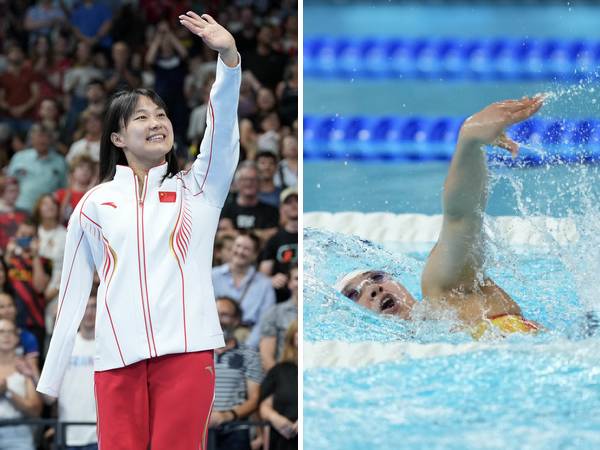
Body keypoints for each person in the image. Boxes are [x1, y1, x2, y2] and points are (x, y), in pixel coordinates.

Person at [37, 12, 241, 450]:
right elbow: (71, 291)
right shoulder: (94, 205)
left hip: (186, 353)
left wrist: (228, 60)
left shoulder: (198, 190)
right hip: (116, 358)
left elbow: (222, 133)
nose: (157, 122)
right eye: (141, 117)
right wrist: (51, 376)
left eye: (161, 114)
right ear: (117, 138)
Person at [335, 97, 545, 339]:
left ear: (399, 283)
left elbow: (462, 218)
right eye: (354, 294)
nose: (373, 288)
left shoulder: (445, 296)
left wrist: (469, 142)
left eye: (378, 277)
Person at [209, 297, 263, 450]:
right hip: (199, 429)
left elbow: (254, 398)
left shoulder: (250, 355)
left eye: (225, 315)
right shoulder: (195, 356)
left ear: (236, 320)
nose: (219, 320)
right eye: (215, 314)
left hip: (235, 430)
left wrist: (226, 416)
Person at [212, 233, 276, 349]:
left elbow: (265, 321)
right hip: (213, 342)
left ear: (255, 255)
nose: (240, 251)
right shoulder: (213, 276)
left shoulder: (265, 284)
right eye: (238, 246)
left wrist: (247, 347)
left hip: (247, 343)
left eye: (246, 249)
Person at [0, 318, 43, 450]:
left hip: (19, 439)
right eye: (1, 332)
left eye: (11, 332)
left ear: (17, 338)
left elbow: (35, 410)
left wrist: (7, 392)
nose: (6, 335)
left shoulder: (26, 368)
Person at [6, 123, 68, 213]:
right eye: (39, 136)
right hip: (19, 208)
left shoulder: (60, 162)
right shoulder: (19, 157)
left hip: (46, 212)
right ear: (32, 139)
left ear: (51, 140)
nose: (42, 140)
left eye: (45, 137)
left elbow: (64, 189)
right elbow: (8, 183)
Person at [259, 320, 298, 450]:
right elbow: (264, 405)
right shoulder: (280, 370)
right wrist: (274, 417)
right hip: (282, 438)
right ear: (293, 338)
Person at [259, 187, 298, 303]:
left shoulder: (311, 234)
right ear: (282, 208)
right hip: (282, 297)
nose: (294, 205)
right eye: (288, 202)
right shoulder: (274, 240)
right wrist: (272, 280)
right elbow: (263, 276)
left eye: (297, 200)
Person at [259, 266, 297, 372]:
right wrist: (281, 380)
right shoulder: (274, 313)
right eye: (297, 279)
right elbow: (266, 357)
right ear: (289, 284)